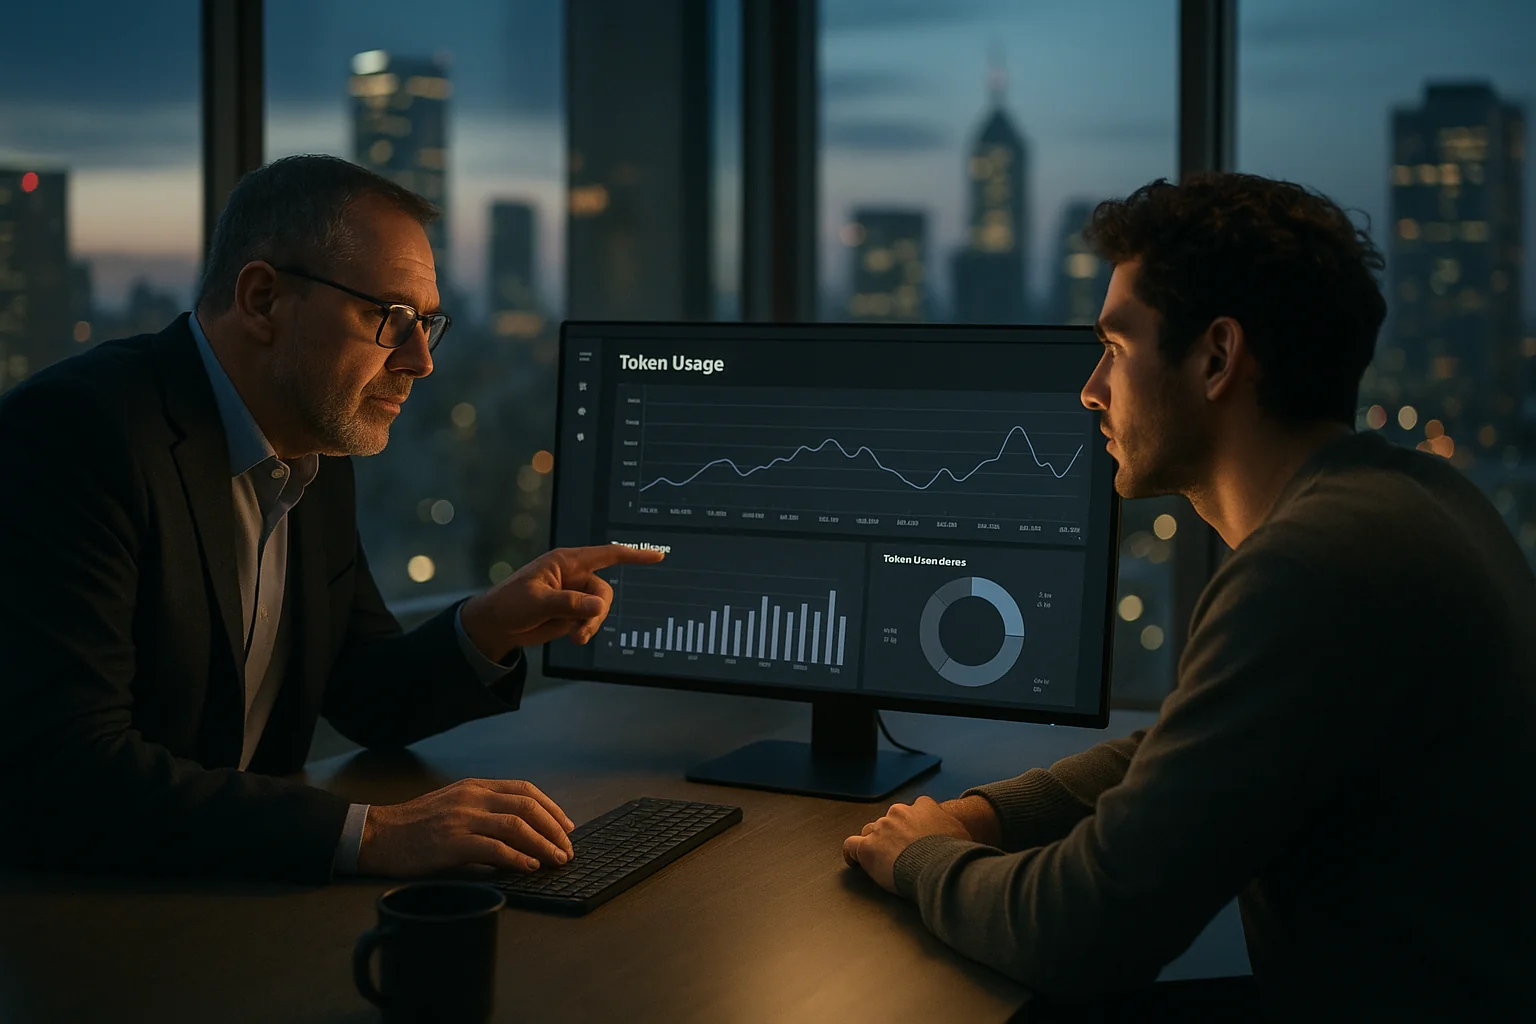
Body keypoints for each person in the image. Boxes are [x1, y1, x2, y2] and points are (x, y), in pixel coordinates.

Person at [842, 172, 1536, 1018]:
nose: (1093, 389)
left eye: (1117, 348)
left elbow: (1083, 931)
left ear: (1216, 357)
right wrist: (986, 816)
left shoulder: (1311, 567)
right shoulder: (1424, 497)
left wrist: (922, 859)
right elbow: (1197, 744)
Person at [0, 155, 662, 884]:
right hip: (77, 924)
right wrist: (370, 834)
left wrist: (488, 625)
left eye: (427, 323)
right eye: (390, 317)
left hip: (231, 903)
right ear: (262, 300)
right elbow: (68, 771)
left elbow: (362, 690)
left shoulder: (313, 443)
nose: (421, 360)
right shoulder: (78, 434)